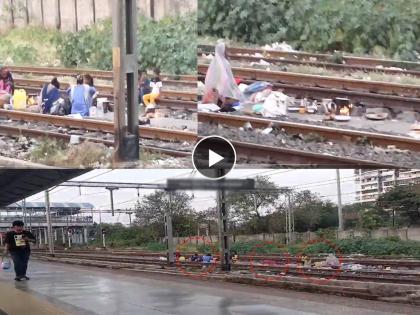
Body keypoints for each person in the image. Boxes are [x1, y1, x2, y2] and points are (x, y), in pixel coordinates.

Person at [204, 42, 245, 108]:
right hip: (221, 94)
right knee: (237, 98)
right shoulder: (225, 63)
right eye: (226, 50)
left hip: (213, 93)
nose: (227, 52)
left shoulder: (213, 62)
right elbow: (228, 80)